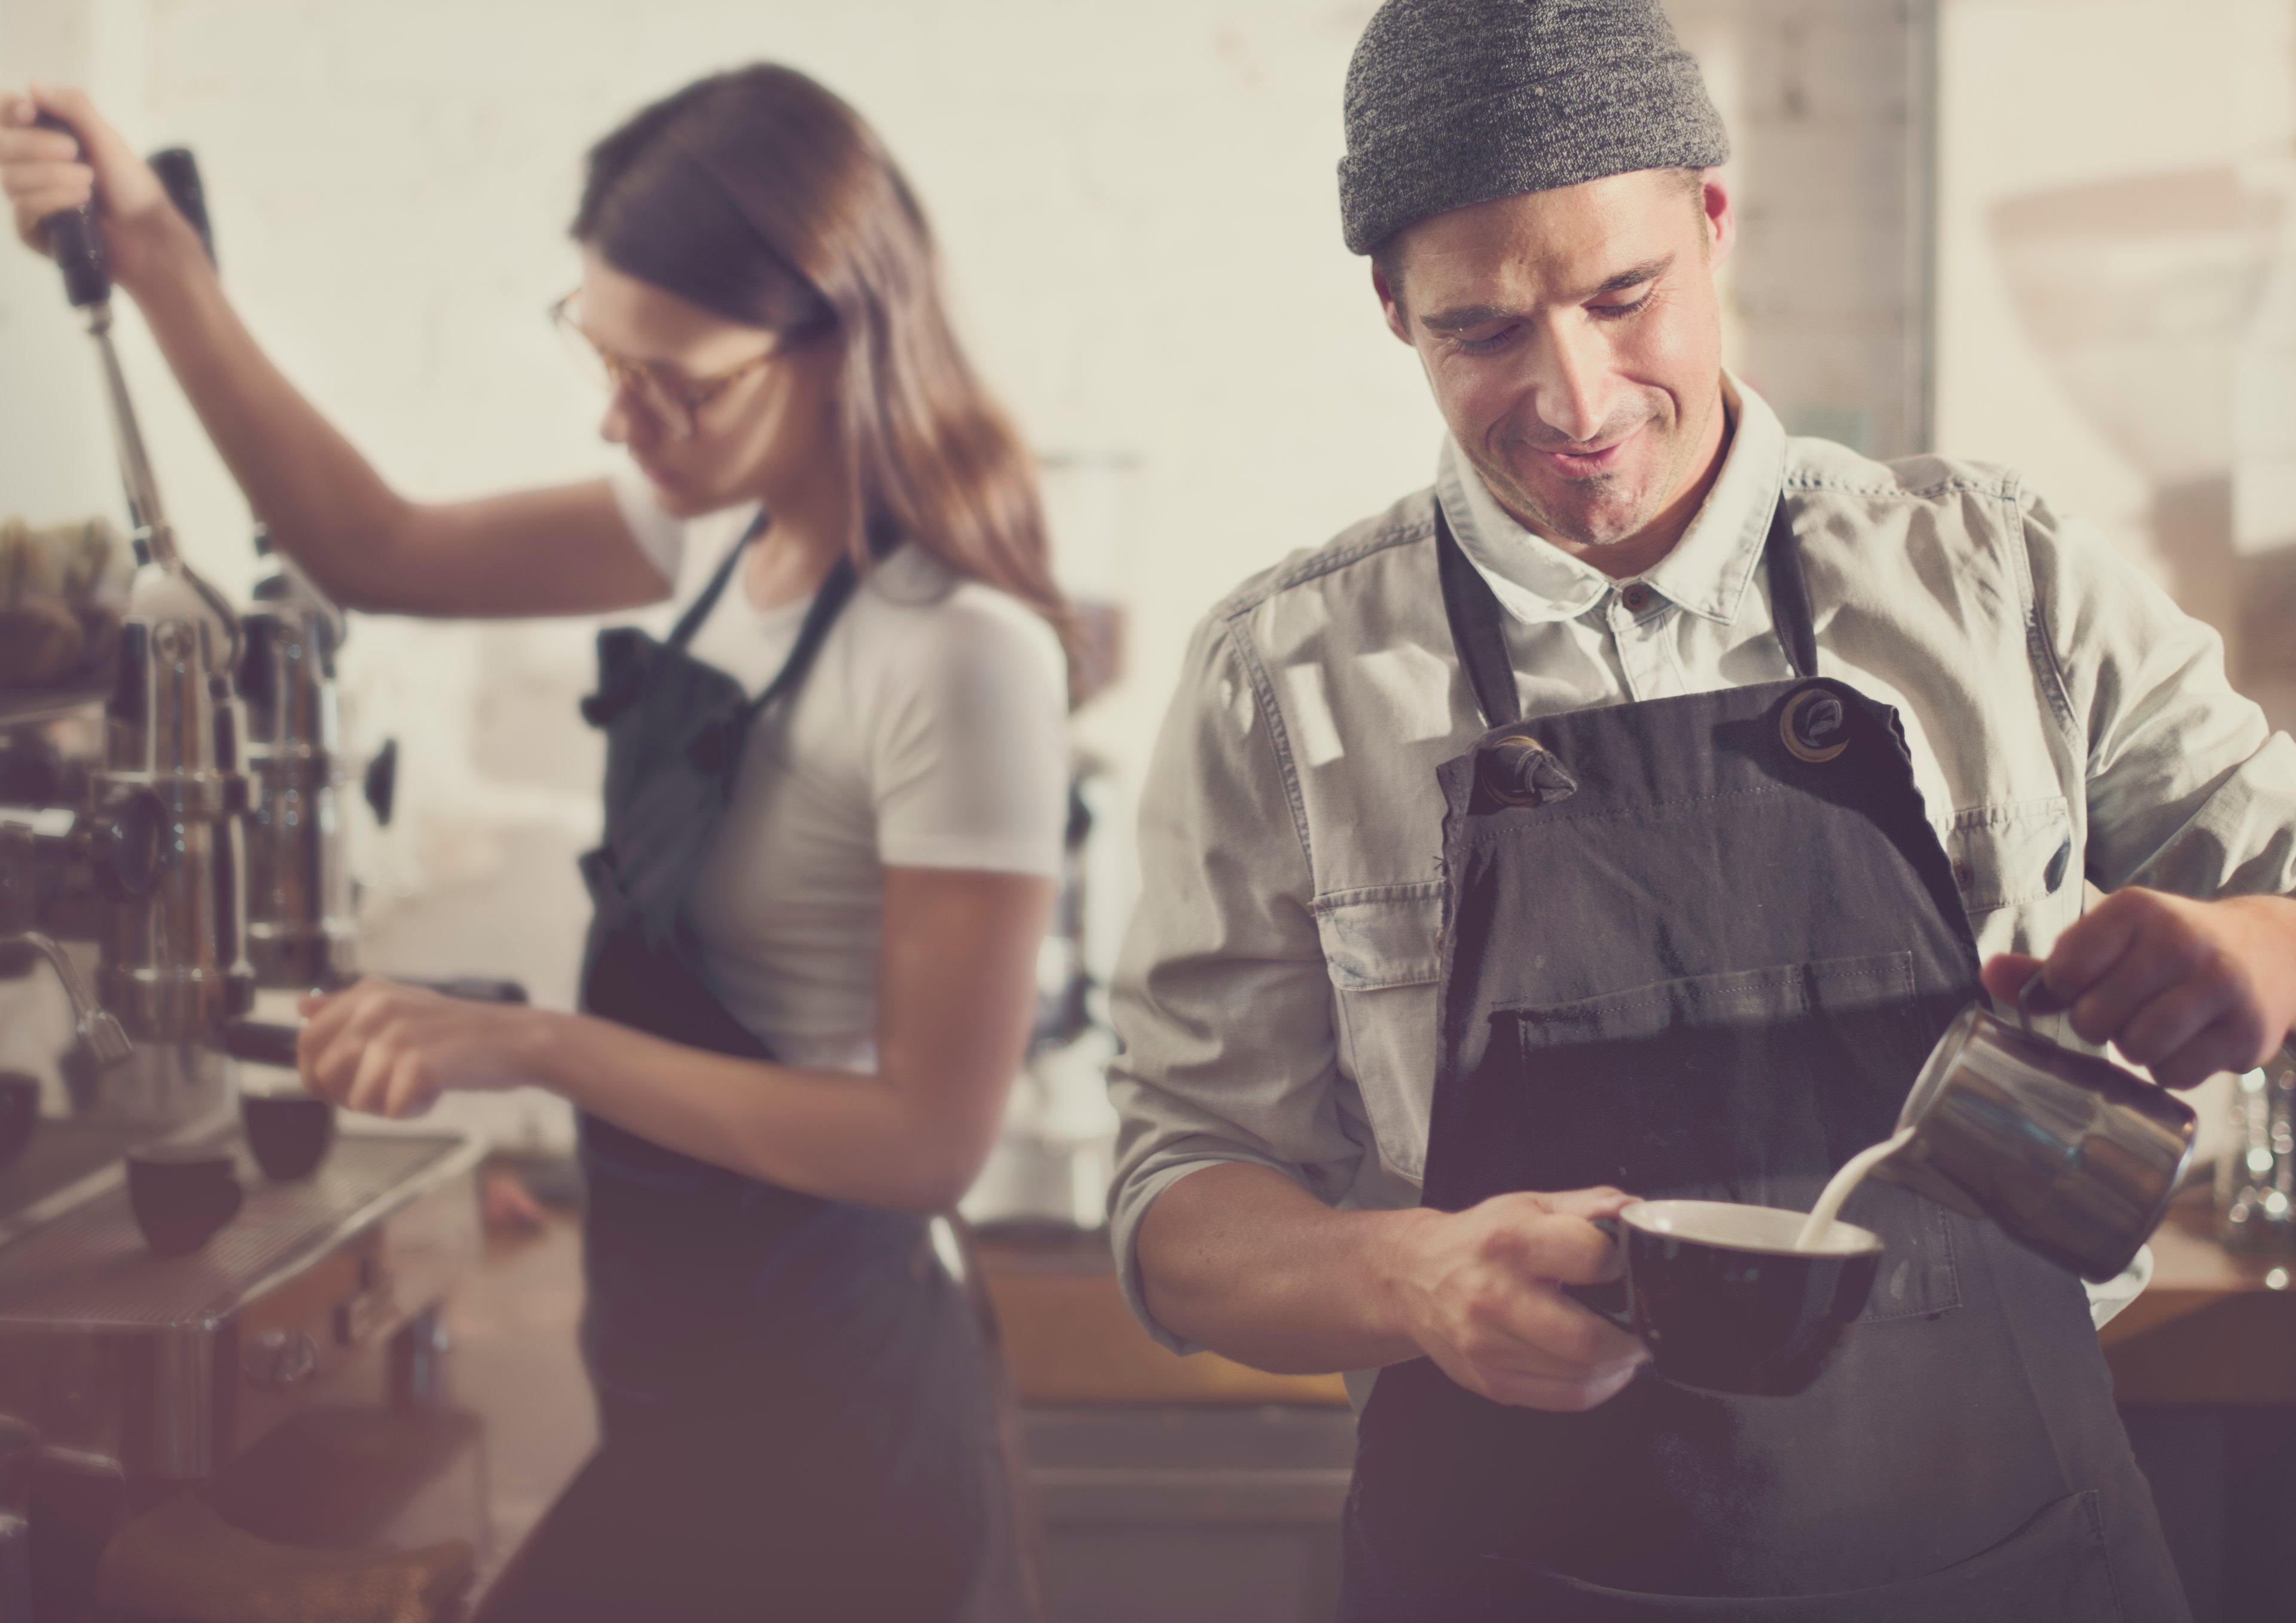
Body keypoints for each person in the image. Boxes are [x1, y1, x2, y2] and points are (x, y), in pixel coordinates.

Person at [1105, 2, 2296, 1618]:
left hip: (2018, 1559)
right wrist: (1412, 1274)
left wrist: (2264, 945)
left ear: (1715, 221)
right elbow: (1183, 1198)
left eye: (1625, 296)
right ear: (1393, 310)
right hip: (1509, 1578)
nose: (1575, 399)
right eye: (1482, 331)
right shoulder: (1284, 678)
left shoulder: (1998, 579)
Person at [2, 65, 1068, 1622]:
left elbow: (927, 1141)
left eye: (676, 383)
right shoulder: (712, 531)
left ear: (843, 337)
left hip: (842, 1433)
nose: (623, 420)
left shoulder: (957, 651)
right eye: (604, 353)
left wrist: (534, 1046)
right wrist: (157, 250)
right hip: (668, 1379)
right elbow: (373, 546)